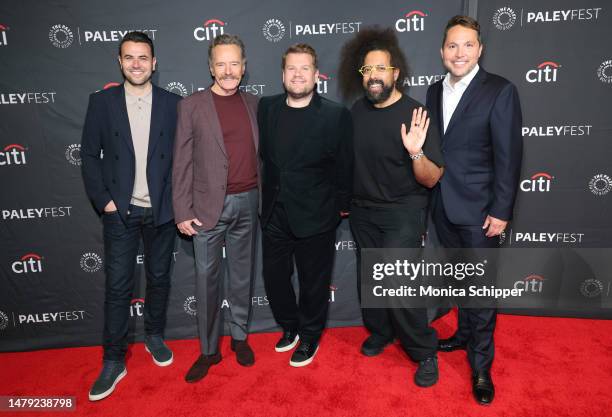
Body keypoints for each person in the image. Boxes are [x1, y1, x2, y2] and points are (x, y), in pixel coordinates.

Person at [338, 27, 444, 387]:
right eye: (368, 70)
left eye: (381, 69)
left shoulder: (416, 114)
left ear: (395, 72)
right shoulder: (356, 113)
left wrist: (415, 150)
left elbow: (431, 179)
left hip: (403, 210)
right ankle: (381, 332)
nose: (374, 76)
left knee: (399, 283)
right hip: (363, 211)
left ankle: (424, 350)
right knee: (372, 277)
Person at [426, 15, 523, 405]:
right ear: (442, 52)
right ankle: (464, 336)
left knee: (481, 291)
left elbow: (509, 156)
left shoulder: (500, 90)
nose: (459, 52)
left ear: (480, 49)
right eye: (452, 45)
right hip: (443, 208)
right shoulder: (433, 91)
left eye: (467, 45)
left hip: (482, 211)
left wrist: (501, 210)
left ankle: (481, 365)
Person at [81, 31, 181, 401]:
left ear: (154, 63)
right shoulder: (102, 102)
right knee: (118, 287)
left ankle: (154, 336)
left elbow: (183, 157)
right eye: (129, 57)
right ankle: (113, 359)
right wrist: (103, 200)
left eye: (143, 57)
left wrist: (176, 202)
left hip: (161, 211)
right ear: (119, 61)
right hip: (120, 212)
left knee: (159, 278)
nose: (137, 63)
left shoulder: (174, 103)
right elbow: (89, 154)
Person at [258, 43, 353, 367]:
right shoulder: (267, 108)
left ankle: (310, 336)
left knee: (314, 282)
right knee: (274, 278)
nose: (298, 75)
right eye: (292, 69)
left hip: (316, 214)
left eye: (304, 69)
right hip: (274, 212)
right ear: (283, 74)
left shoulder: (335, 114)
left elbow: (345, 165)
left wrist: (339, 207)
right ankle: (290, 326)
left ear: (316, 75)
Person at [172, 34, 259, 382]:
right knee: (206, 281)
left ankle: (239, 337)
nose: (228, 70)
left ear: (244, 66)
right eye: (220, 63)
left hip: (249, 202)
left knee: (242, 277)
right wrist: (181, 209)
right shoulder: (191, 105)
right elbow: (181, 162)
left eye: (234, 63)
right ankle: (209, 351)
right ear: (210, 67)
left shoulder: (255, 104)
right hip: (207, 208)